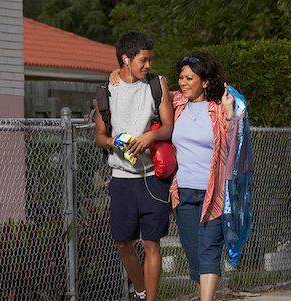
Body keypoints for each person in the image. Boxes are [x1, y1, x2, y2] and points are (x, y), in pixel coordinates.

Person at [94, 31, 174, 301]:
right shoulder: (106, 91)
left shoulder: (157, 84)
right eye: (143, 60)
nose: (148, 65)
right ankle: (140, 291)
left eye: (150, 60)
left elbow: (167, 127)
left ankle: (149, 299)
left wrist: (149, 136)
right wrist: (114, 143)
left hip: (152, 177)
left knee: (152, 243)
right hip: (121, 177)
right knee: (123, 242)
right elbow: (99, 138)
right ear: (126, 60)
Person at [169, 51, 239, 301]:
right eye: (181, 77)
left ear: (206, 81)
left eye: (190, 78)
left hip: (214, 194)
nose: (183, 83)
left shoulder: (220, 108)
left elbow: (235, 143)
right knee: (194, 254)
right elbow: (150, 91)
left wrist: (230, 114)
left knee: (209, 250)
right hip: (185, 193)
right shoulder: (176, 105)